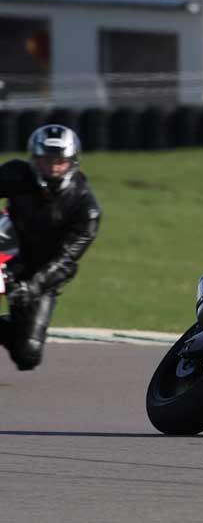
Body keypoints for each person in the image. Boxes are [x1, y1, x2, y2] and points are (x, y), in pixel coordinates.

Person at [0, 125, 101, 370]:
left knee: (27, 355)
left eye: (59, 161)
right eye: (46, 160)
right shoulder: (16, 174)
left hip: (44, 272)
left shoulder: (85, 208)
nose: (53, 167)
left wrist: (31, 287)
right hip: (8, 253)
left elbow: (66, 260)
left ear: (72, 162)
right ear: (34, 159)